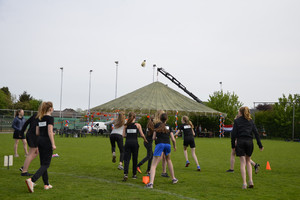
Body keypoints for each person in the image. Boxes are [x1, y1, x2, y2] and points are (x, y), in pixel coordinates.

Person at [25, 102, 56, 193]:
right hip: (46, 142)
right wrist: (53, 144)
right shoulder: (50, 118)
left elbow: (37, 132)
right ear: (50, 109)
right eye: (52, 107)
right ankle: (32, 180)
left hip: (39, 141)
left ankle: (46, 184)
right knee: (46, 164)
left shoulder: (40, 118)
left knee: (43, 163)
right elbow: (50, 131)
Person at [231, 106, 263, 189]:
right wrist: (260, 145)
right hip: (249, 142)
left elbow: (233, 135)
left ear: (240, 112)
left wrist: (233, 146)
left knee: (242, 162)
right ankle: (251, 181)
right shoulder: (251, 121)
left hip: (241, 142)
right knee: (248, 161)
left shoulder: (237, 121)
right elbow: (256, 133)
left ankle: (244, 183)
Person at [146, 113, 177, 188]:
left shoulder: (157, 125)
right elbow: (173, 139)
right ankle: (174, 178)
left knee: (153, 164)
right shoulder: (169, 127)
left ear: (160, 118)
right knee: (169, 160)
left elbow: (153, 138)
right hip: (167, 145)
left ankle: (151, 183)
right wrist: (174, 146)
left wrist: (156, 138)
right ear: (167, 119)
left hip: (159, 144)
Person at [122, 112, 148, 181]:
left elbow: (123, 135)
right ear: (135, 118)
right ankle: (134, 174)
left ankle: (125, 174)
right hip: (135, 143)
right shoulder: (138, 125)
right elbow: (142, 135)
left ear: (128, 117)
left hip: (127, 143)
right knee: (135, 159)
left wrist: (129, 136)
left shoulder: (125, 125)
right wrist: (145, 140)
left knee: (127, 159)